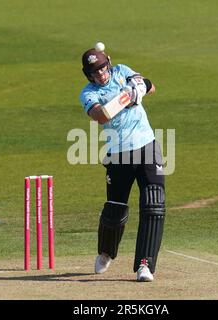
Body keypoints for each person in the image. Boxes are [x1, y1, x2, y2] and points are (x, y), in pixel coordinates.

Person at [79, 45, 166, 282]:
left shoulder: (122, 71)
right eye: (94, 72)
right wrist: (127, 96)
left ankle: (145, 265)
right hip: (119, 154)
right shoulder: (88, 93)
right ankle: (106, 252)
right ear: (88, 74)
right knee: (115, 211)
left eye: (102, 68)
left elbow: (151, 86)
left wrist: (141, 86)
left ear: (109, 63)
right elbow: (102, 116)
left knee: (154, 205)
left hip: (147, 146)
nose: (101, 74)